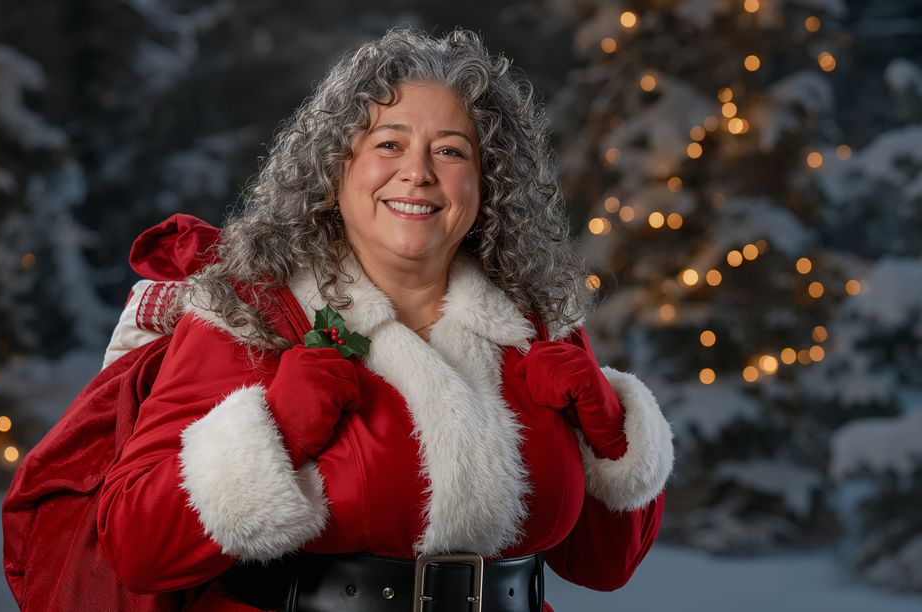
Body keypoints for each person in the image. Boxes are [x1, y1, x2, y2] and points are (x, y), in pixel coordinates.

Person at [96, 27, 674, 611]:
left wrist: (609, 432)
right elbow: (137, 549)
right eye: (389, 144)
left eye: (451, 150)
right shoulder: (251, 312)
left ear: (488, 183)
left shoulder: (536, 323)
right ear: (334, 168)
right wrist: (278, 429)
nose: (418, 172)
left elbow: (606, 567)